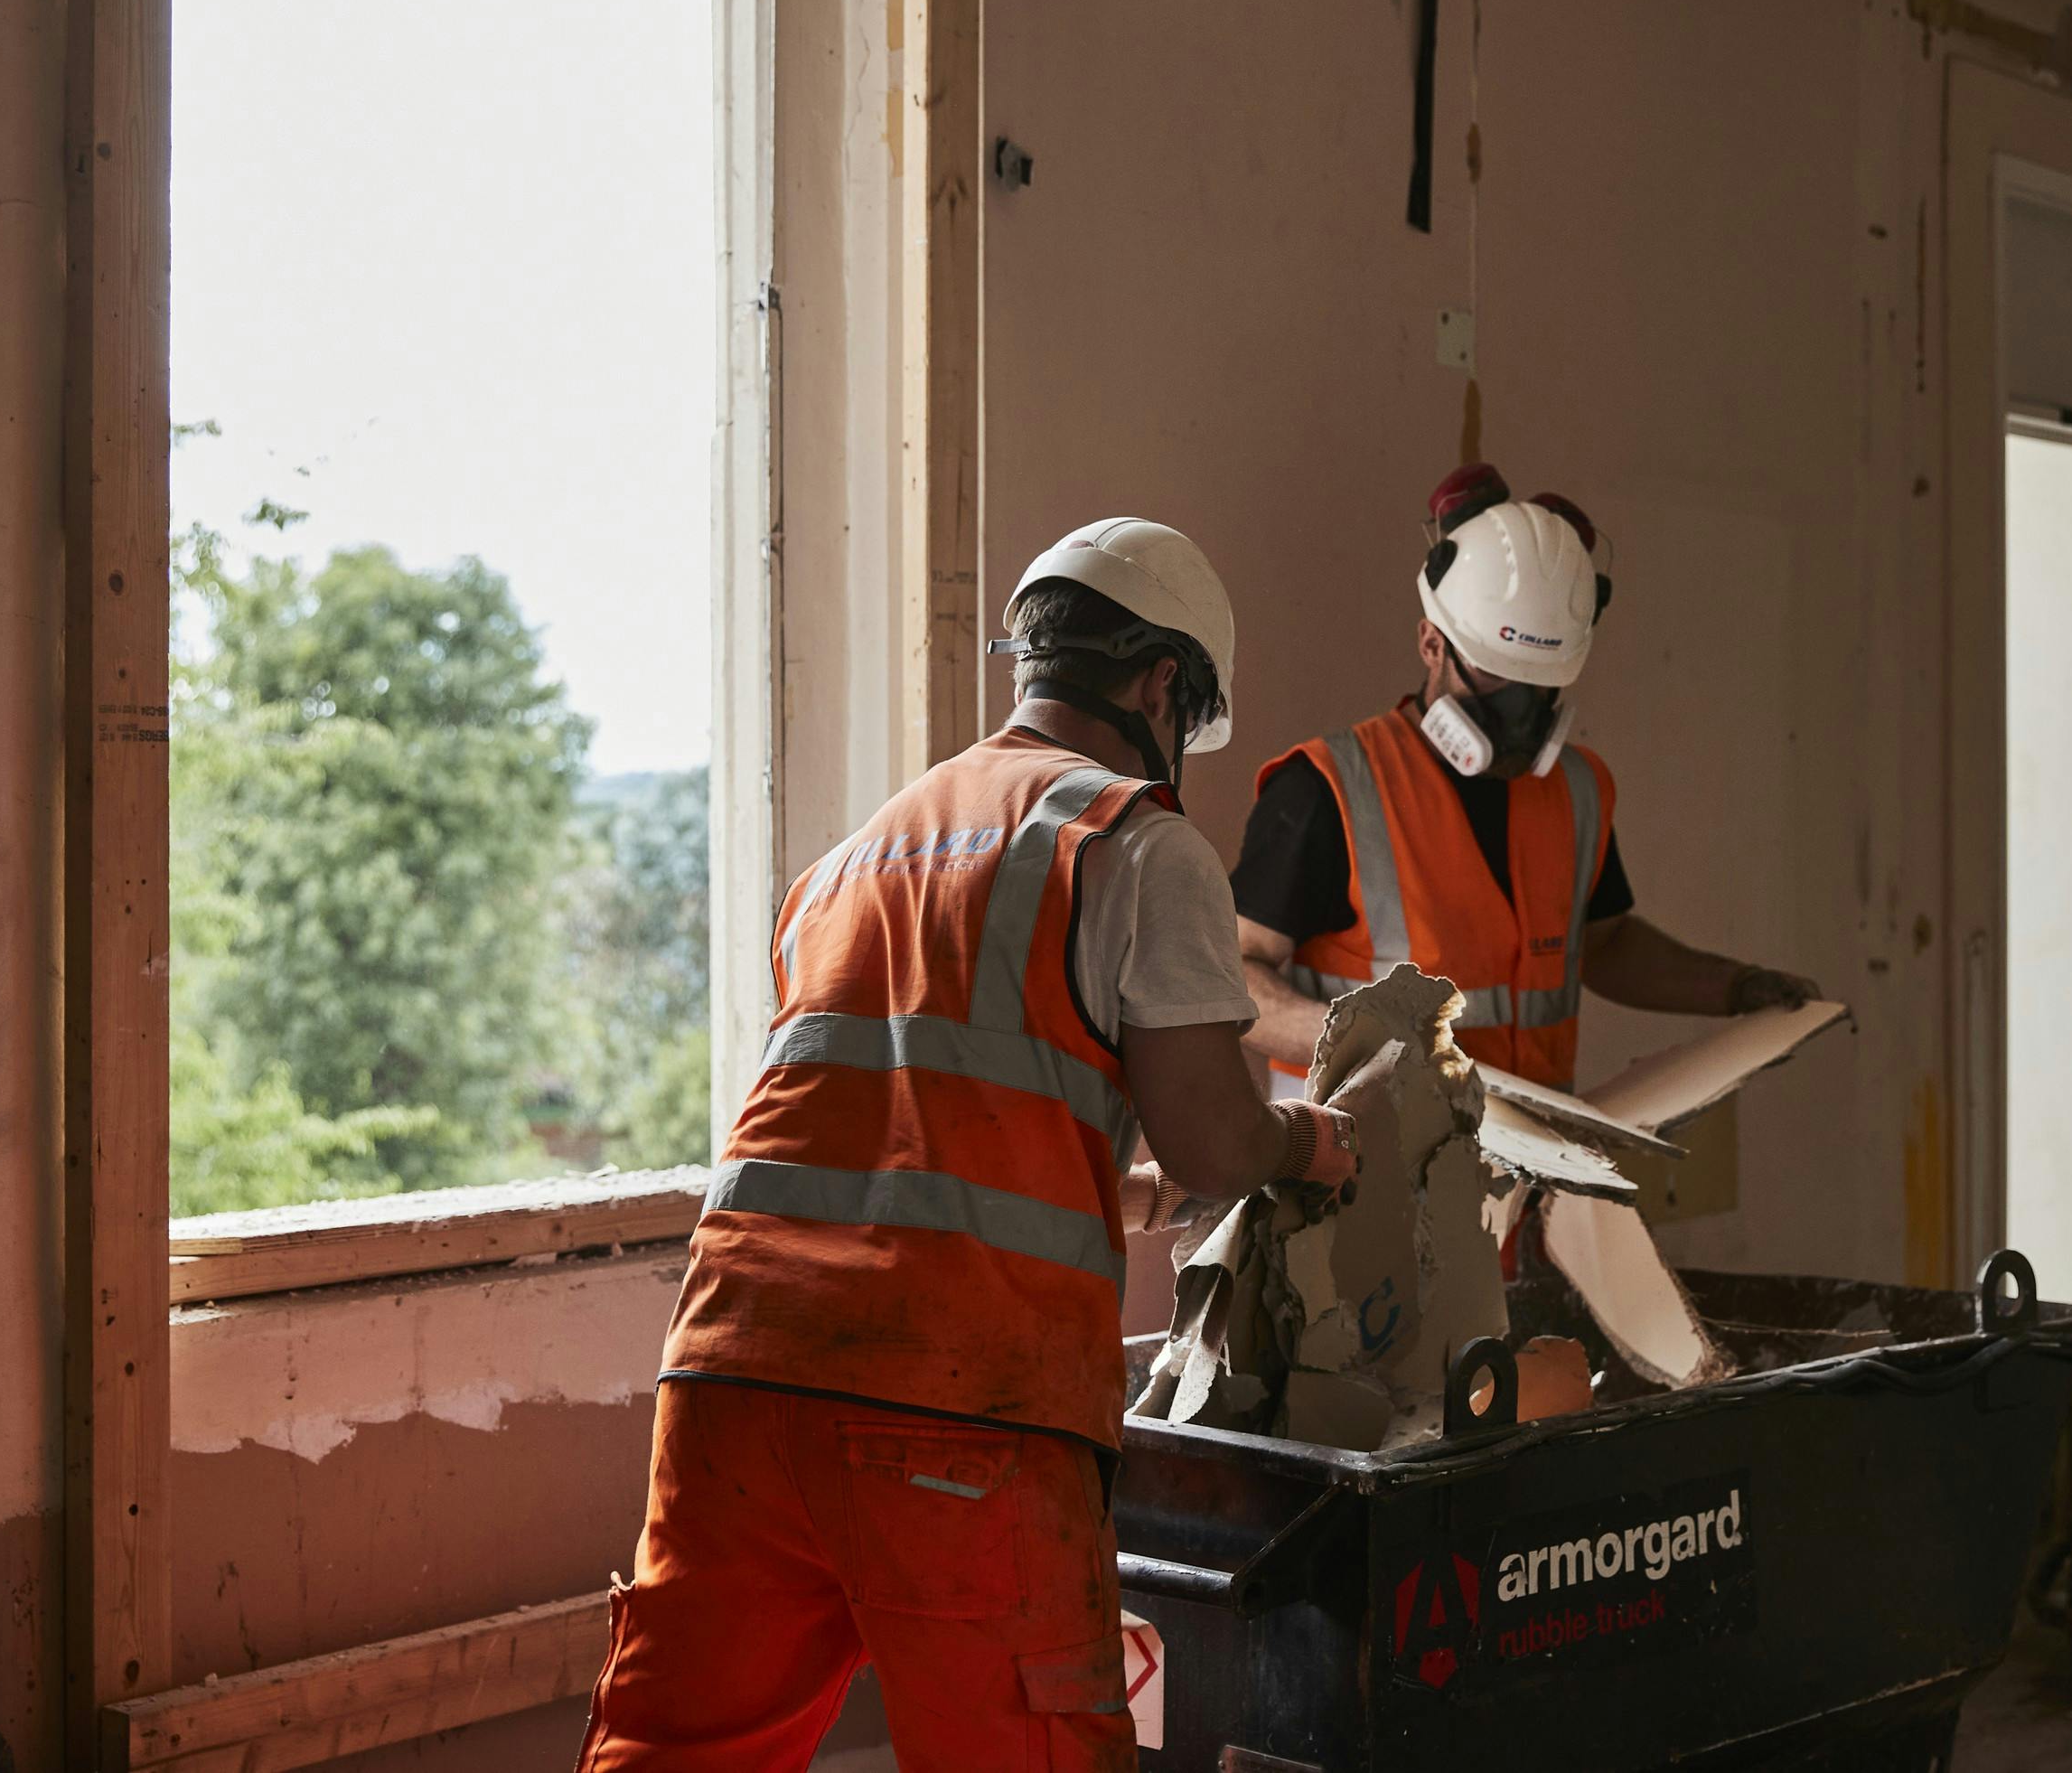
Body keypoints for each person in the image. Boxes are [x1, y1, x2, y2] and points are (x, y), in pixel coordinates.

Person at [578, 518, 1360, 1772]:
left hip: (735, 1381)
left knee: (679, 1753)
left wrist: (1133, 1190)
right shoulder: (1135, 844)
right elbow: (1219, 1138)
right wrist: (1305, 1147)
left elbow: (924, 1131)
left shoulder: (856, 855)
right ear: (1163, 685)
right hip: (956, 1409)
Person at [1234, 464, 1822, 1093]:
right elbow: (1229, 977)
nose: (1518, 710)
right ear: (1432, 644)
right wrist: (1363, 1041)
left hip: (1524, 1167)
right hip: (1357, 1169)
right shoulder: (1328, 788)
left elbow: (1607, 943)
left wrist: (1735, 988)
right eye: (1493, 676)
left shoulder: (1577, 791)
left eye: (1540, 684)